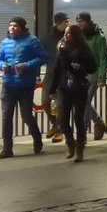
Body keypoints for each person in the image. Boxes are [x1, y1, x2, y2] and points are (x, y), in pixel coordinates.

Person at [0, 17, 47, 159]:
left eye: (15, 26)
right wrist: (2, 66)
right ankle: (7, 148)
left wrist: (27, 65)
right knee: (6, 117)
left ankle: (37, 139)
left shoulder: (32, 40)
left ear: (22, 27)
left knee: (26, 116)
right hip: (8, 84)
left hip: (25, 85)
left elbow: (43, 57)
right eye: (10, 25)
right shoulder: (5, 42)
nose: (12, 28)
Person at [53, 24, 97, 162]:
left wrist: (80, 67)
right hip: (64, 86)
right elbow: (57, 69)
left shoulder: (83, 48)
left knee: (78, 118)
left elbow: (92, 67)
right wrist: (52, 90)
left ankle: (80, 148)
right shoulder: (61, 49)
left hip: (79, 85)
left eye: (69, 33)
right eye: (65, 33)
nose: (66, 36)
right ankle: (70, 143)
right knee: (63, 119)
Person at [76, 12, 107, 140]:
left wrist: (101, 78)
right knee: (83, 102)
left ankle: (82, 132)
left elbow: (102, 58)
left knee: (84, 101)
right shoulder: (79, 36)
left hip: (93, 73)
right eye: (78, 22)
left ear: (88, 21)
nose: (80, 24)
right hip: (82, 73)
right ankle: (98, 122)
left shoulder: (99, 37)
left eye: (82, 22)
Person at [40, 12, 69, 142]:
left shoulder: (70, 36)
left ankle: (60, 130)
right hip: (51, 73)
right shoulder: (47, 37)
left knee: (61, 103)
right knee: (45, 102)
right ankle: (55, 124)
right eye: (65, 22)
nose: (68, 24)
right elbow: (41, 53)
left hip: (65, 74)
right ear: (58, 23)